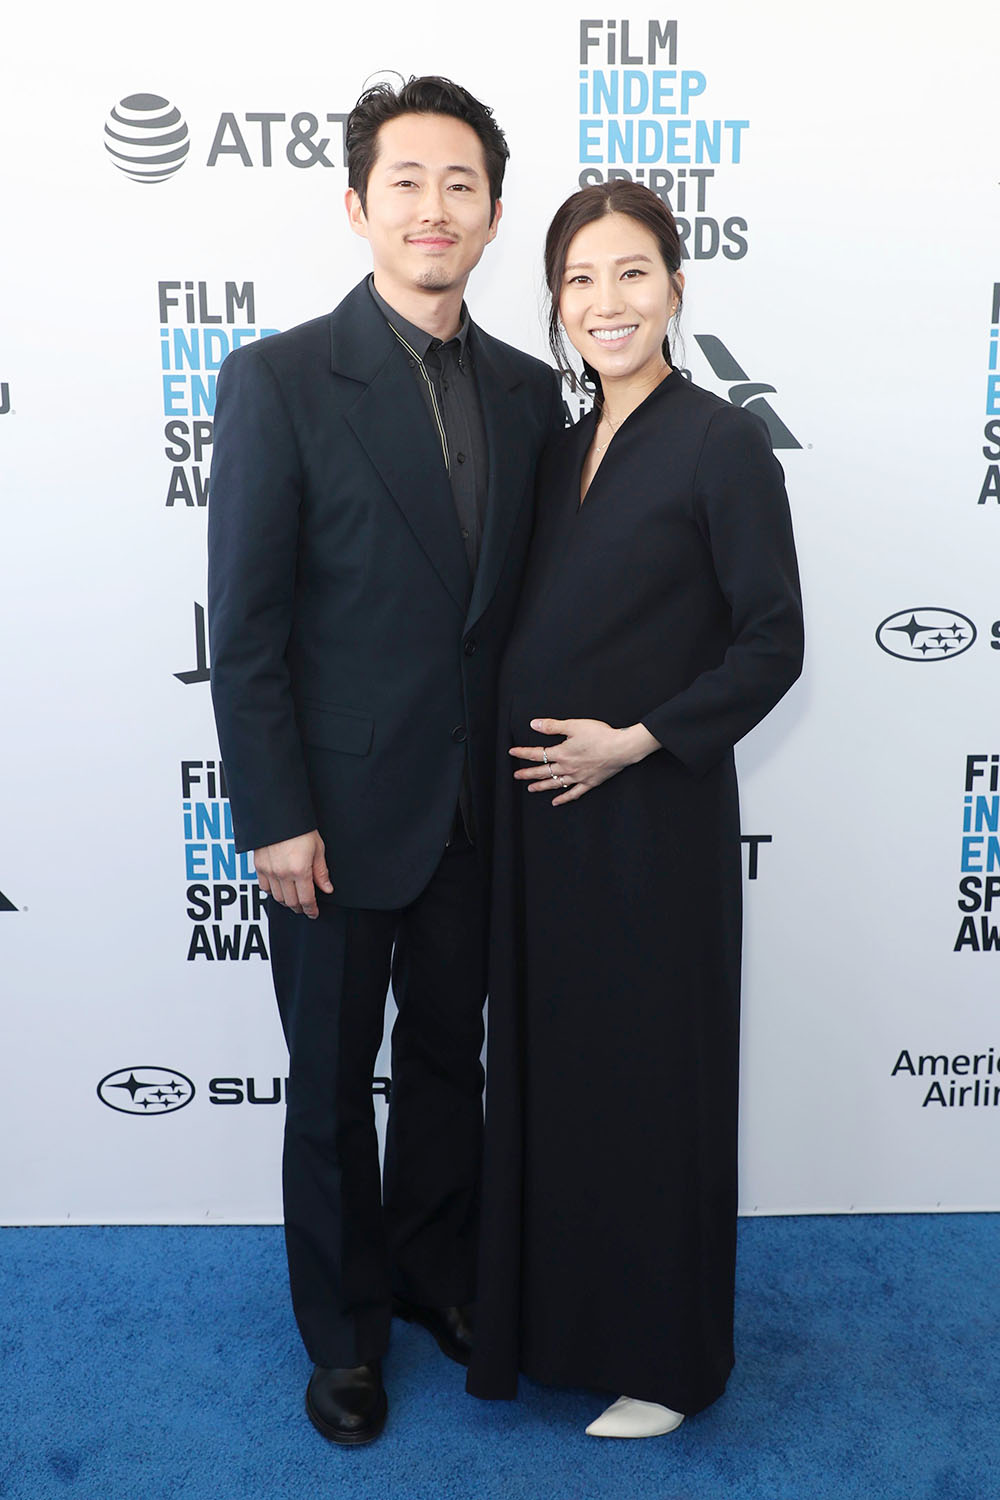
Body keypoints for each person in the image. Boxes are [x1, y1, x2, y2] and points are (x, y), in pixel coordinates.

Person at [207, 76, 563, 1447]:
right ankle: (346, 1331)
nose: (434, 207)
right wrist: (276, 814)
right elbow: (247, 626)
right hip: (335, 823)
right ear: (359, 206)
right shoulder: (281, 381)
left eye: (461, 184)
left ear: (489, 215)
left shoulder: (535, 396)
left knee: (445, 1071)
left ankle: (432, 1273)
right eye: (407, 181)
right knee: (330, 1080)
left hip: (481, 811)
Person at [466, 181, 804, 1437]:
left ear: (675, 287)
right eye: (578, 280)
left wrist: (636, 742)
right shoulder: (559, 448)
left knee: (651, 1083)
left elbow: (772, 644)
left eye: (630, 273)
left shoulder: (719, 441)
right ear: (554, 304)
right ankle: (556, 1331)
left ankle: (665, 1363)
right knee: (559, 1083)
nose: (605, 302)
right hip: (542, 833)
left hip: (648, 827)